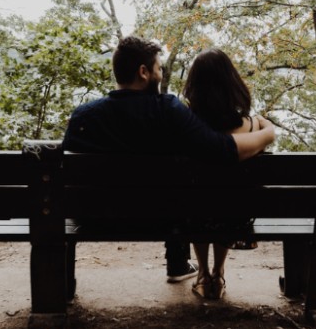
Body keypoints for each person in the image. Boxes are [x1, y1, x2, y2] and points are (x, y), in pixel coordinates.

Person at [62, 36, 275, 284]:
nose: (161, 73)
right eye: (158, 68)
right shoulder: (168, 111)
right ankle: (180, 264)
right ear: (143, 72)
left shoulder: (83, 117)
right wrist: (267, 134)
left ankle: (62, 285)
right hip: (160, 220)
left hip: (91, 218)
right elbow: (222, 149)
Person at [182, 48, 261, 299]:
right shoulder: (250, 126)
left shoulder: (187, 126)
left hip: (193, 214)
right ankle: (218, 272)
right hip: (235, 216)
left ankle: (203, 274)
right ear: (232, 83)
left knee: (197, 203)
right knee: (227, 202)